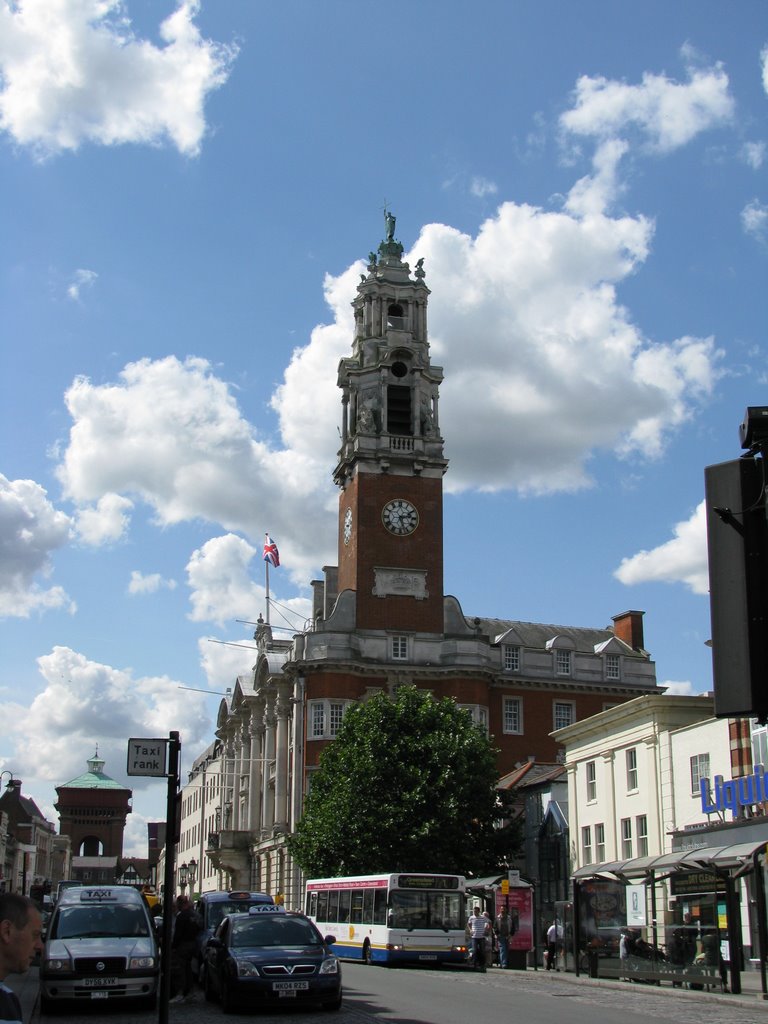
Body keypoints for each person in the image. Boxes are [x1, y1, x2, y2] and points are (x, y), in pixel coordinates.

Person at [0, 894, 43, 1022]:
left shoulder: (8, 1000)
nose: (40, 946)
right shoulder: (6, 1004)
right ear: (6, 931)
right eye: (35, 935)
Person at [169, 895, 201, 1004]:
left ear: (180, 904)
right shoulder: (194, 915)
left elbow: (178, 934)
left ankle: (180, 993)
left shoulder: (182, 916)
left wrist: (173, 947)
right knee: (188, 969)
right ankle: (190, 992)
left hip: (183, 946)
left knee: (180, 970)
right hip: (193, 944)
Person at [467, 906, 490, 972]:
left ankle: (482, 964)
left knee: (482, 951)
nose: (475, 912)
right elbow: (468, 924)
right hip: (474, 937)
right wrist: (470, 930)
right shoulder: (471, 917)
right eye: (474, 911)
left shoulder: (482, 917)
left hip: (481, 937)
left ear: (479, 911)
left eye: (476, 911)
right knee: (474, 951)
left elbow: (489, 922)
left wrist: (487, 930)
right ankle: (474, 964)